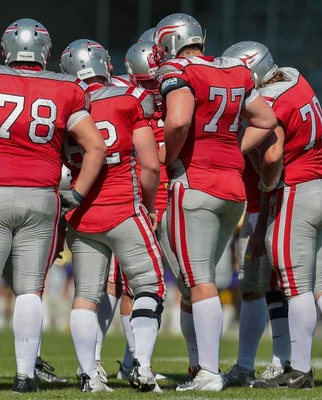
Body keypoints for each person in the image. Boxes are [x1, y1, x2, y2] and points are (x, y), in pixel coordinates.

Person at [0, 19, 106, 393]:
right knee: (30, 290)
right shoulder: (67, 88)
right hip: (42, 197)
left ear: (7, 49)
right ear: (45, 50)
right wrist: (76, 193)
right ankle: (25, 376)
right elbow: (96, 146)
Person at [221, 41, 322, 390]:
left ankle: (299, 370)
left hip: (296, 192)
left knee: (295, 287)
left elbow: (272, 156)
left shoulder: (269, 102)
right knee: (320, 285)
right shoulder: (294, 78)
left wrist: (267, 183)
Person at [154, 13, 278, 392]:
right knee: (199, 280)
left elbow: (177, 122)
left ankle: (208, 371)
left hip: (196, 183)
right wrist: (230, 150)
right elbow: (266, 119)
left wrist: (170, 156)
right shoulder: (235, 70)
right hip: (233, 188)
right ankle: (201, 366)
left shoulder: (177, 69)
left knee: (198, 279)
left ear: (171, 42)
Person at [60, 38, 165, 393]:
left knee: (86, 297)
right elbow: (150, 165)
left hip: (82, 214)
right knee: (149, 286)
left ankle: (90, 374)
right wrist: (150, 205)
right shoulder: (127, 98)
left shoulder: (62, 105)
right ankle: (144, 367)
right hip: (123, 209)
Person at [123, 39, 199, 377]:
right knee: (187, 285)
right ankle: (145, 363)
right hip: (166, 203)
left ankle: (127, 363)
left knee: (130, 286)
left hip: (134, 202)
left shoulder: (126, 104)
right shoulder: (174, 101)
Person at [220, 42, 292, 387]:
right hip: (261, 207)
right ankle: (254, 364)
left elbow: (272, 157)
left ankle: (281, 362)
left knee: (267, 287)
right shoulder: (257, 104)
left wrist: (260, 217)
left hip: (266, 208)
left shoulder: (263, 112)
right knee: (257, 288)